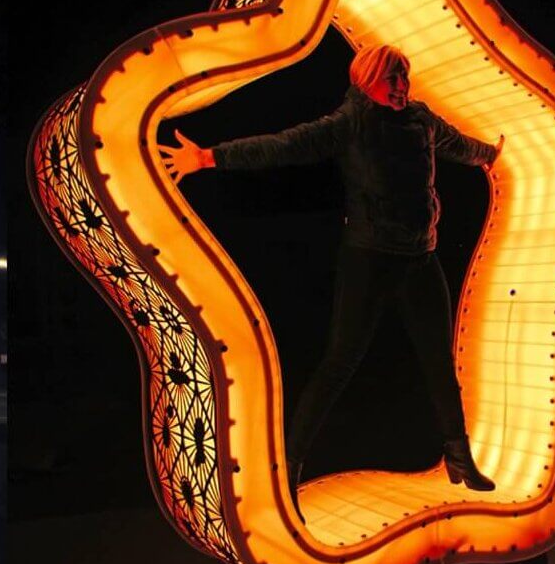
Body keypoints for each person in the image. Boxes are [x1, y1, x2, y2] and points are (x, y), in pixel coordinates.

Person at [158, 45, 505, 506]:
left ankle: (460, 459)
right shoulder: (351, 123)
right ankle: (288, 468)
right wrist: (209, 158)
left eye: (404, 77)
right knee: (339, 363)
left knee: (439, 362)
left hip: (420, 258)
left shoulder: (420, 119)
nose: (401, 87)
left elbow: (457, 144)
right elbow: (285, 144)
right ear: (367, 81)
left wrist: (491, 153)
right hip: (370, 259)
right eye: (391, 79)